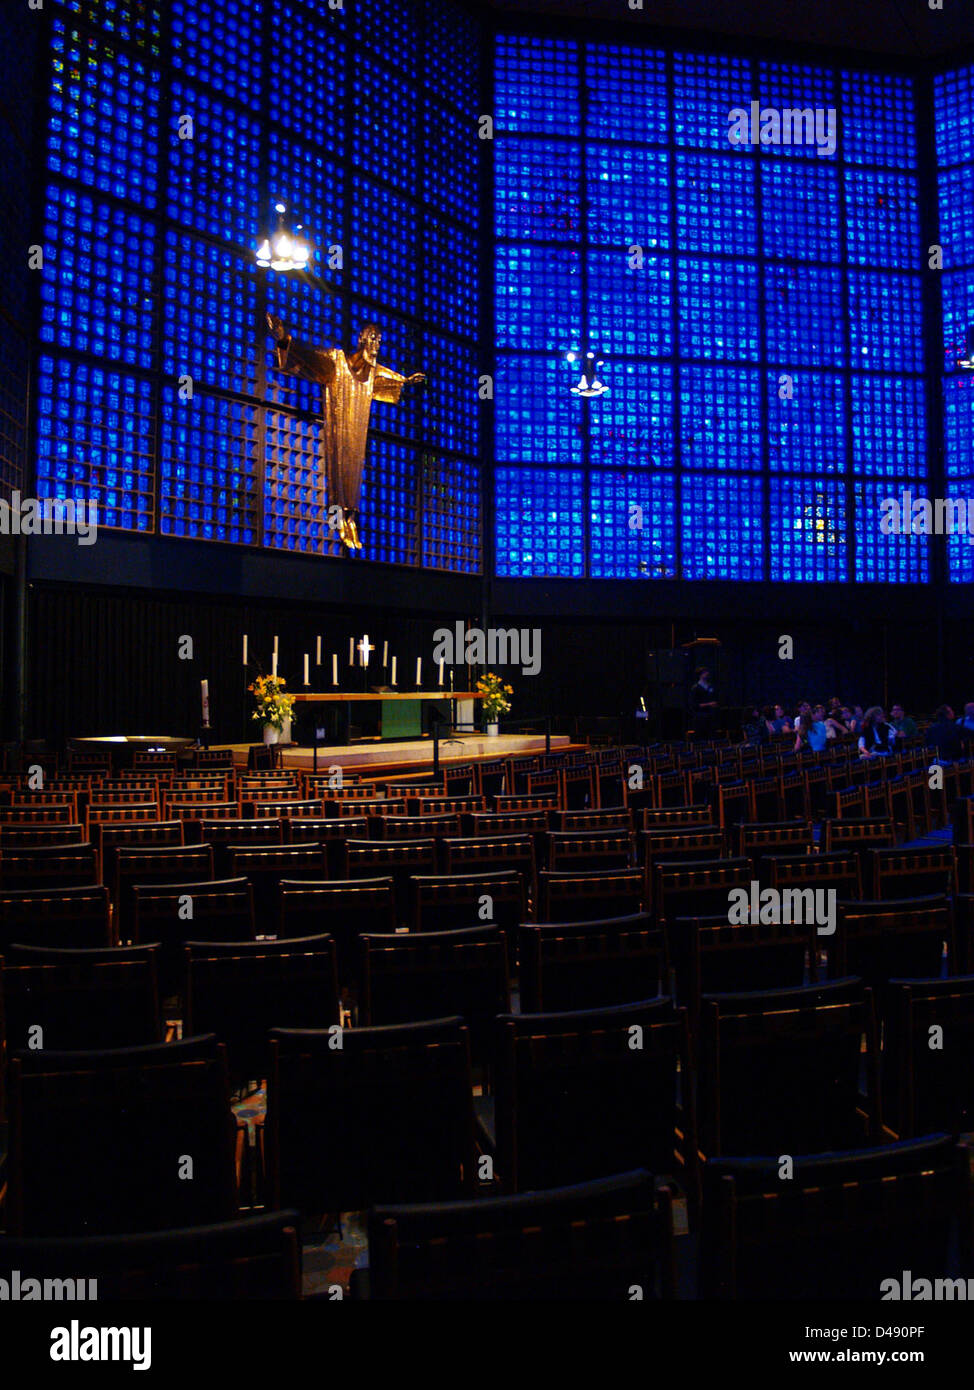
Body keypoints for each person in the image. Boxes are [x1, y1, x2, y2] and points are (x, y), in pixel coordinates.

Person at [689, 668, 718, 740]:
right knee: (702, 738)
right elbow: (694, 705)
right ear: (700, 675)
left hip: (711, 716)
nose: (707, 674)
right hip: (700, 717)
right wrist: (709, 704)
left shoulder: (710, 686)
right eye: (705, 673)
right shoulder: (695, 688)